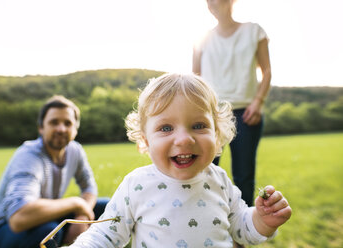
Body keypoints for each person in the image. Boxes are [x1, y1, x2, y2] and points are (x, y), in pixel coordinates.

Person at [66, 73, 291, 248]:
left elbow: (241, 227)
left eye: (199, 126)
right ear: (146, 139)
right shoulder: (137, 185)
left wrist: (262, 220)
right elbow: (106, 234)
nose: (184, 139)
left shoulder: (219, 179)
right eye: (166, 128)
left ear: (217, 133)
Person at [0, 95, 109, 248]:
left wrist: (82, 215)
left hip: (45, 218)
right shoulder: (28, 155)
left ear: (75, 130)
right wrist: (76, 203)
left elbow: (89, 187)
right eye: (54, 122)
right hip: (1, 230)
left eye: (68, 123)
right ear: (41, 128)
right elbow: (19, 217)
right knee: (49, 231)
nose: (61, 129)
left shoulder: (75, 151)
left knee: (108, 208)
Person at [192, 0, 272, 210]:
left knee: (244, 176)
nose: (212, 3)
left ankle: (240, 238)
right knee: (203, 175)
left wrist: (258, 102)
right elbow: (195, 79)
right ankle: (205, 226)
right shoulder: (202, 39)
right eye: (208, 1)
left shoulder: (254, 32)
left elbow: (267, 72)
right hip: (211, 115)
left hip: (247, 113)